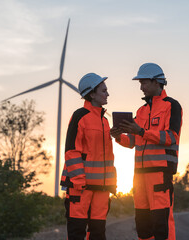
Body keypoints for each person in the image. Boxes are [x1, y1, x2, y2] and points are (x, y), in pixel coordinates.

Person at [111, 63, 182, 240]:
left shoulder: (172, 106)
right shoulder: (140, 111)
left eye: (143, 83)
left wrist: (142, 131)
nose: (141, 87)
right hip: (139, 177)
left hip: (160, 174)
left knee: (161, 225)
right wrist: (118, 137)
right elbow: (132, 142)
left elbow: (171, 137)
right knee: (143, 226)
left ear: (157, 82)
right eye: (140, 83)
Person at [60, 72, 116, 240]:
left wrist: (111, 183)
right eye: (104, 90)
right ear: (92, 93)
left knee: (98, 234)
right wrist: (79, 182)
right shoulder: (80, 116)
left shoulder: (105, 121)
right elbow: (71, 151)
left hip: (101, 188)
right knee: (77, 233)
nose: (107, 94)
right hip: (81, 188)